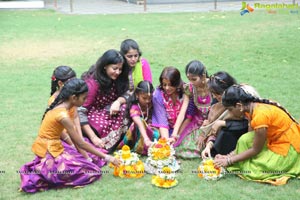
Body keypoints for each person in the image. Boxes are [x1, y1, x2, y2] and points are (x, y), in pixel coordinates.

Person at [19, 78, 121, 193]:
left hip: (52, 147)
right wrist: (108, 158)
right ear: (73, 98)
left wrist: (88, 159)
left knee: (90, 164)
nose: (85, 101)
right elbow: (80, 143)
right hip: (49, 151)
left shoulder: (63, 105)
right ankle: (45, 171)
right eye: (84, 98)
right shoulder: (63, 116)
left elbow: (78, 143)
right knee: (92, 172)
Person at [214, 84, 300, 185]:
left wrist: (229, 161)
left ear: (239, 106)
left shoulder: (260, 116)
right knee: (244, 139)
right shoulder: (250, 108)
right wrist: (228, 156)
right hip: (272, 139)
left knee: (258, 169)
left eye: (230, 110)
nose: (230, 113)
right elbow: (250, 137)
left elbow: (255, 149)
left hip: (287, 146)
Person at [49, 66, 106, 166]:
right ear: (60, 84)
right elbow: (62, 131)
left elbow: (75, 117)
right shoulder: (54, 102)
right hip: (64, 139)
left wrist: (80, 138)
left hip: (74, 135)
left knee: (93, 154)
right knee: (76, 161)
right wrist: (73, 144)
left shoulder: (72, 97)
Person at [79, 49, 129, 153]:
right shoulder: (93, 83)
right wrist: (93, 137)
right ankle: (101, 142)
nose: (118, 72)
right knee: (101, 124)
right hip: (91, 115)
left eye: (120, 69)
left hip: (107, 110)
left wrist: (118, 102)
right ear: (105, 66)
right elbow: (80, 111)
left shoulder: (117, 78)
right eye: (115, 68)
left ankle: (118, 141)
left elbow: (128, 93)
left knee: (125, 107)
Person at [200, 72, 253, 159]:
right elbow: (213, 127)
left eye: (217, 94)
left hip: (242, 137)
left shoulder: (239, 101)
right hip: (219, 138)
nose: (214, 96)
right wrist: (209, 145)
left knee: (226, 132)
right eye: (213, 93)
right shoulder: (216, 103)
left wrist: (223, 123)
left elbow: (247, 124)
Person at [170, 60, 212, 158]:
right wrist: (174, 134)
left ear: (203, 75)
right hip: (197, 122)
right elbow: (183, 111)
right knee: (183, 148)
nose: (191, 82)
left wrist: (208, 125)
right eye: (189, 79)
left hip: (212, 122)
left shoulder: (213, 85)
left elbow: (219, 109)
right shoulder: (190, 88)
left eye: (194, 79)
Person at [118, 81, 159, 155]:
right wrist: (146, 138)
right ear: (137, 95)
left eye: (150, 98)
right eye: (144, 98)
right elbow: (139, 123)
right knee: (140, 122)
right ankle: (140, 147)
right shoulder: (134, 106)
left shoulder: (150, 104)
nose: (147, 101)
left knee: (157, 132)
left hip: (148, 129)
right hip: (136, 133)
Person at [152, 67, 184, 139]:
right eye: (164, 84)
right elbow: (162, 120)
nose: (167, 88)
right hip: (165, 128)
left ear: (177, 83)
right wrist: (166, 142)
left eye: (170, 85)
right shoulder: (158, 95)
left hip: (183, 127)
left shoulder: (185, 91)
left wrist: (176, 135)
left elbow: (188, 116)